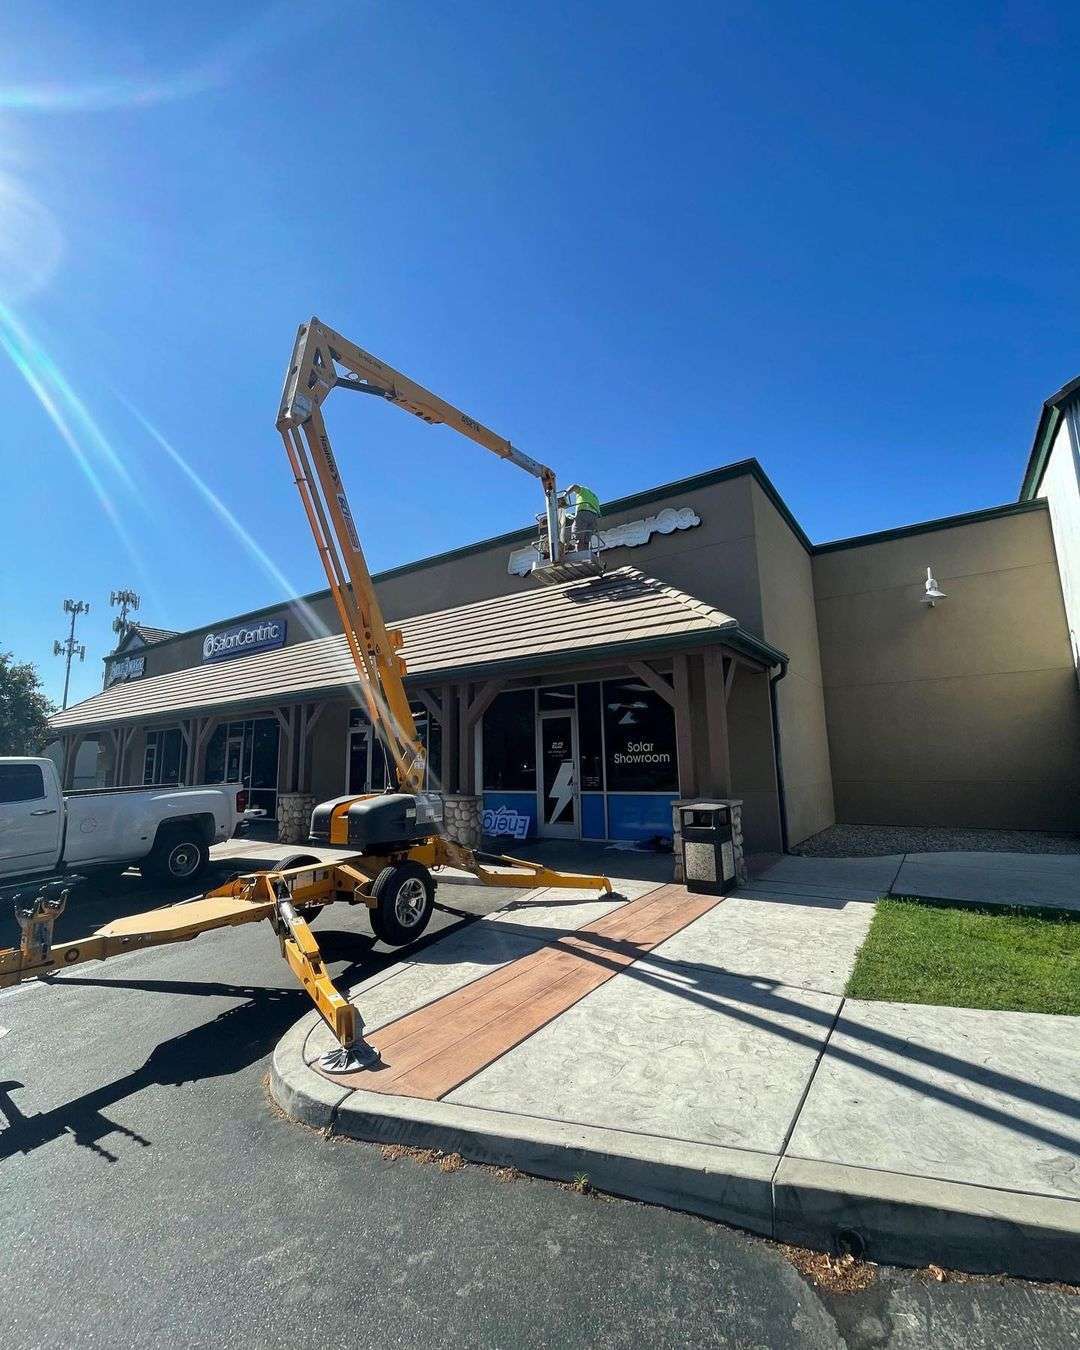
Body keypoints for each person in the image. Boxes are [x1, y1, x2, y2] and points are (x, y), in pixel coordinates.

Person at [563, 483, 601, 552]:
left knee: (578, 538)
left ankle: (578, 553)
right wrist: (575, 517)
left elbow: (574, 486)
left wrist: (564, 495)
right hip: (594, 517)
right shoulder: (594, 496)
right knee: (586, 540)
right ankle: (585, 554)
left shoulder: (583, 490)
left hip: (584, 512)